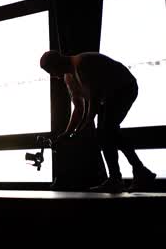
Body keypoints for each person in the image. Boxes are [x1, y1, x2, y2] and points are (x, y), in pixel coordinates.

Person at [40, 50, 156, 193]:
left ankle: (122, 177)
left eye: (50, 71)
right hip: (108, 96)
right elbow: (78, 108)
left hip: (124, 87)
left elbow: (94, 100)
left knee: (106, 130)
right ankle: (136, 173)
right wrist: (67, 133)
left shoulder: (81, 64)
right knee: (108, 131)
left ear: (57, 64)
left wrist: (84, 126)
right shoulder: (69, 78)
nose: (52, 75)